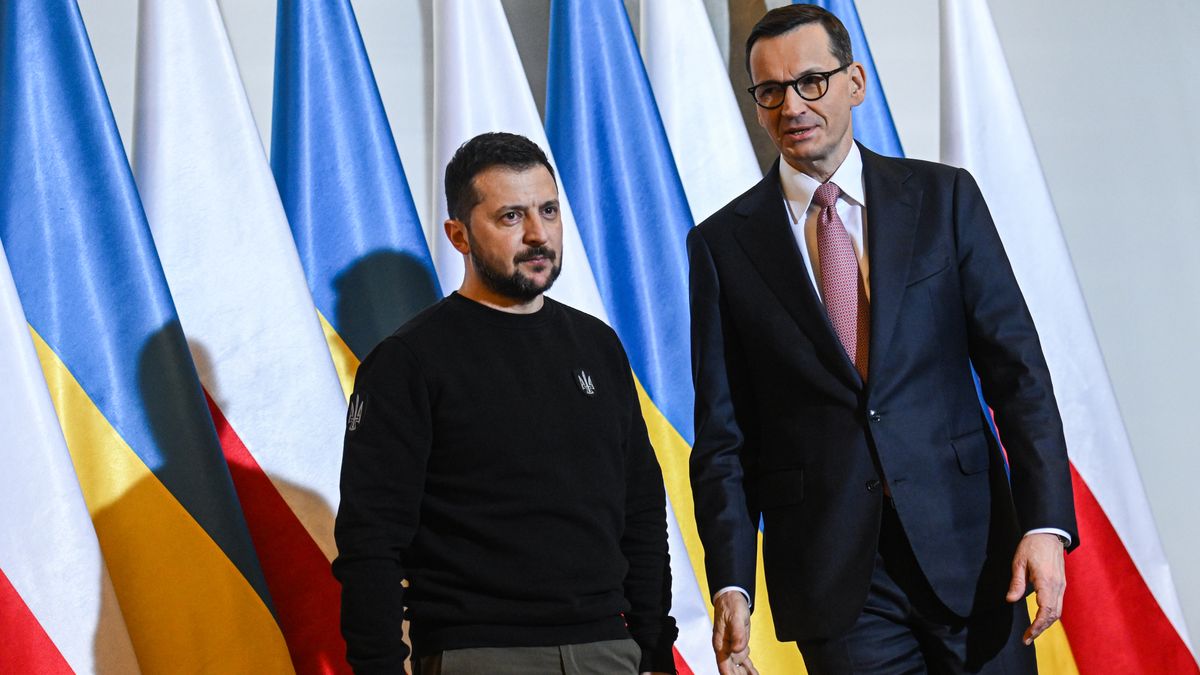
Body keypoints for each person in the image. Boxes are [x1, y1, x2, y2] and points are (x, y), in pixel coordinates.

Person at [687, 6, 1077, 674]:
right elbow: (725, 435)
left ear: (855, 82)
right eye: (771, 91)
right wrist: (731, 581)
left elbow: (1019, 373)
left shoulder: (943, 199)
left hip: (973, 550)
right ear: (756, 105)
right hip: (836, 576)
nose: (792, 105)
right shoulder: (722, 246)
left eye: (812, 81)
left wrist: (1044, 523)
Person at [334, 132, 678, 675]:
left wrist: (655, 647)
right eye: (511, 217)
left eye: (548, 211)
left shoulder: (598, 345)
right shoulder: (408, 362)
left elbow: (639, 509)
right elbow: (370, 542)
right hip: (478, 653)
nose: (539, 235)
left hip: (609, 650)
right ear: (459, 235)